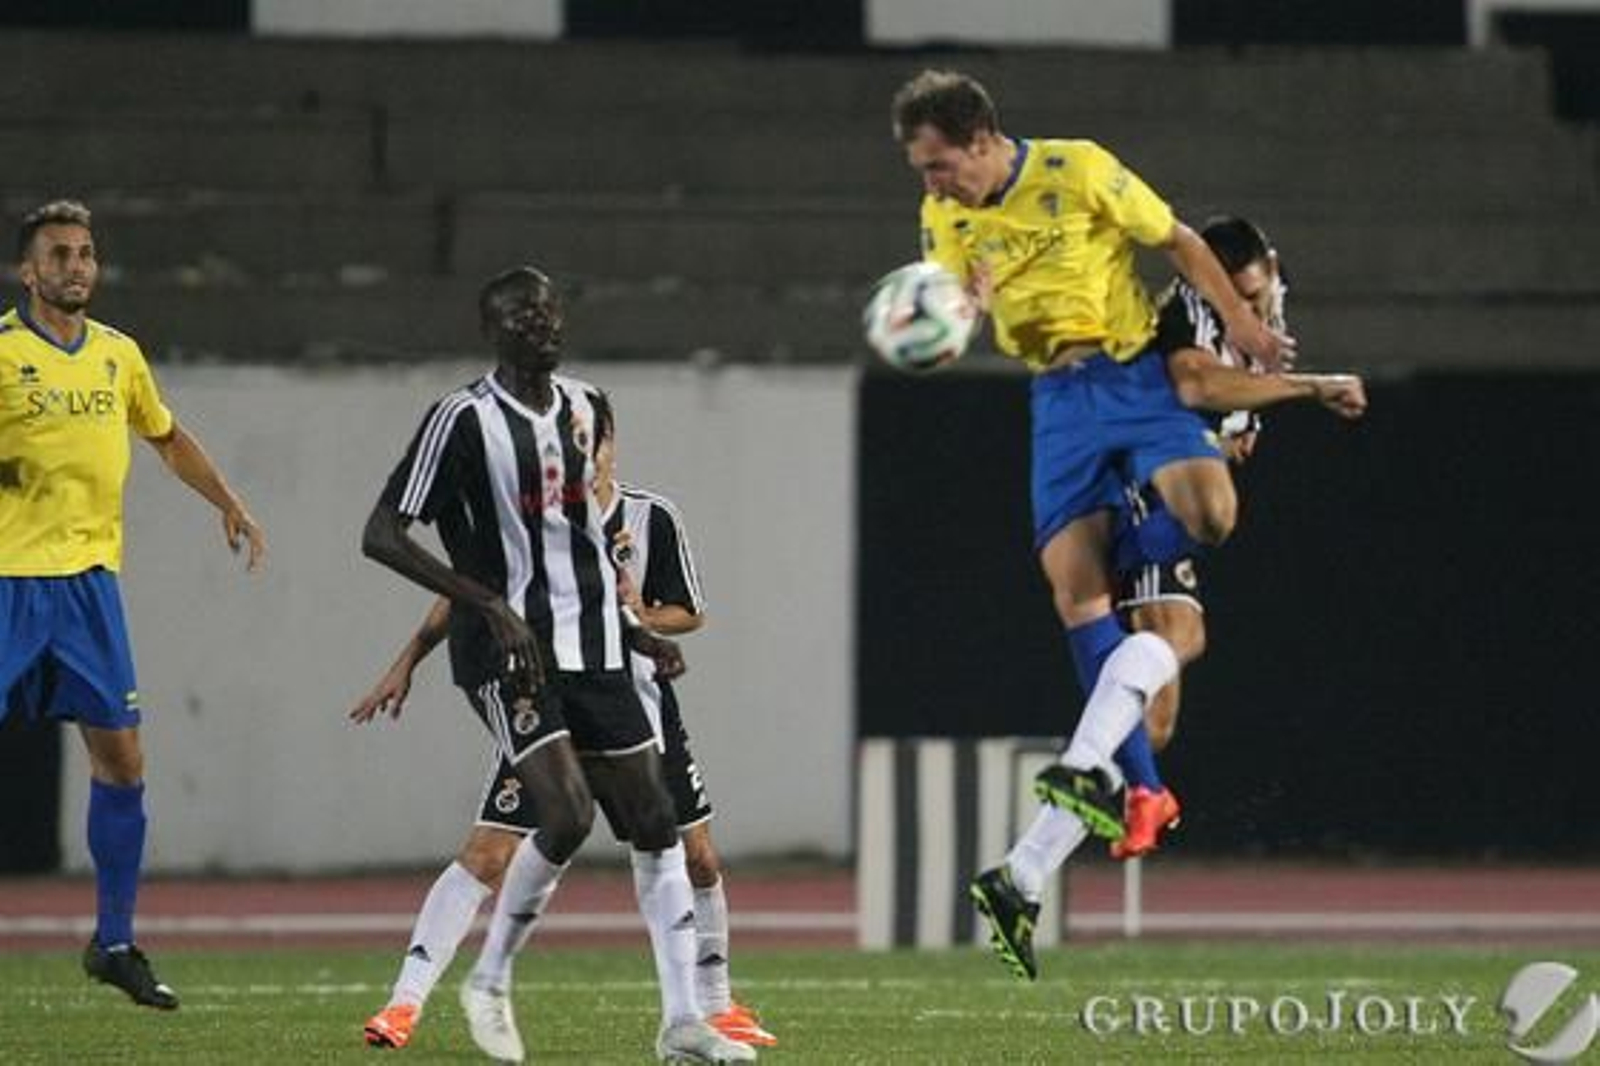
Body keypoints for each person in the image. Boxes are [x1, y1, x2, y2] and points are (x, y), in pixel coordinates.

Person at [889, 70, 1295, 981]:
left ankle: (1079, 824)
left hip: (1123, 391)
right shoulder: (945, 222)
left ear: (982, 138)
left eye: (939, 165)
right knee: (1128, 623)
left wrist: (1252, 336)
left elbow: (1177, 239)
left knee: (1165, 656)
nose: (932, 184)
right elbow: (948, 327)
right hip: (1067, 403)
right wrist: (966, 314)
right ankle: (1088, 817)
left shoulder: (1079, 171)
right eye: (923, 170)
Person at [359, 265, 752, 1063]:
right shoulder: (461, 419)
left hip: (599, 643)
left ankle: (683, 1024)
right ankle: (488, 982)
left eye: (547, 309)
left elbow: (586, 539)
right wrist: (487, 604)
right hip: (510, 652)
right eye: (519, 313)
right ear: (490, 327)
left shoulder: (585, 405)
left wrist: (636, 631)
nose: (540, 322)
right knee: (566, 816)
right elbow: (382, 533)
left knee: (655, 823)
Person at [0, 200, 266, 1009]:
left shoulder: (118, 356)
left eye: (85, 253)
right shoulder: (4, 353)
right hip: (7, 583)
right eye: (58, 253)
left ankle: (113, 943)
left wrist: (226, 499)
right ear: (27, 271)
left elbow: (166, 436)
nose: (75, 265)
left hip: (89, 590)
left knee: (123, 763)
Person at [1104, 215, 1366, 858]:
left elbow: (1230, 403)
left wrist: (1239, 428)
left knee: (1154, 724)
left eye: (1256, 293)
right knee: (1181, 632)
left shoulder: (1267, 307)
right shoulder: (1193, 307)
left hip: (1172, 499)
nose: (1249, 307)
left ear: (1272, 268)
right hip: (1142, 489)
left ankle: (1087, 776)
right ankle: (1075, 770)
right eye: (1237, 297)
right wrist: (1310, 386)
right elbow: (1196, 381)